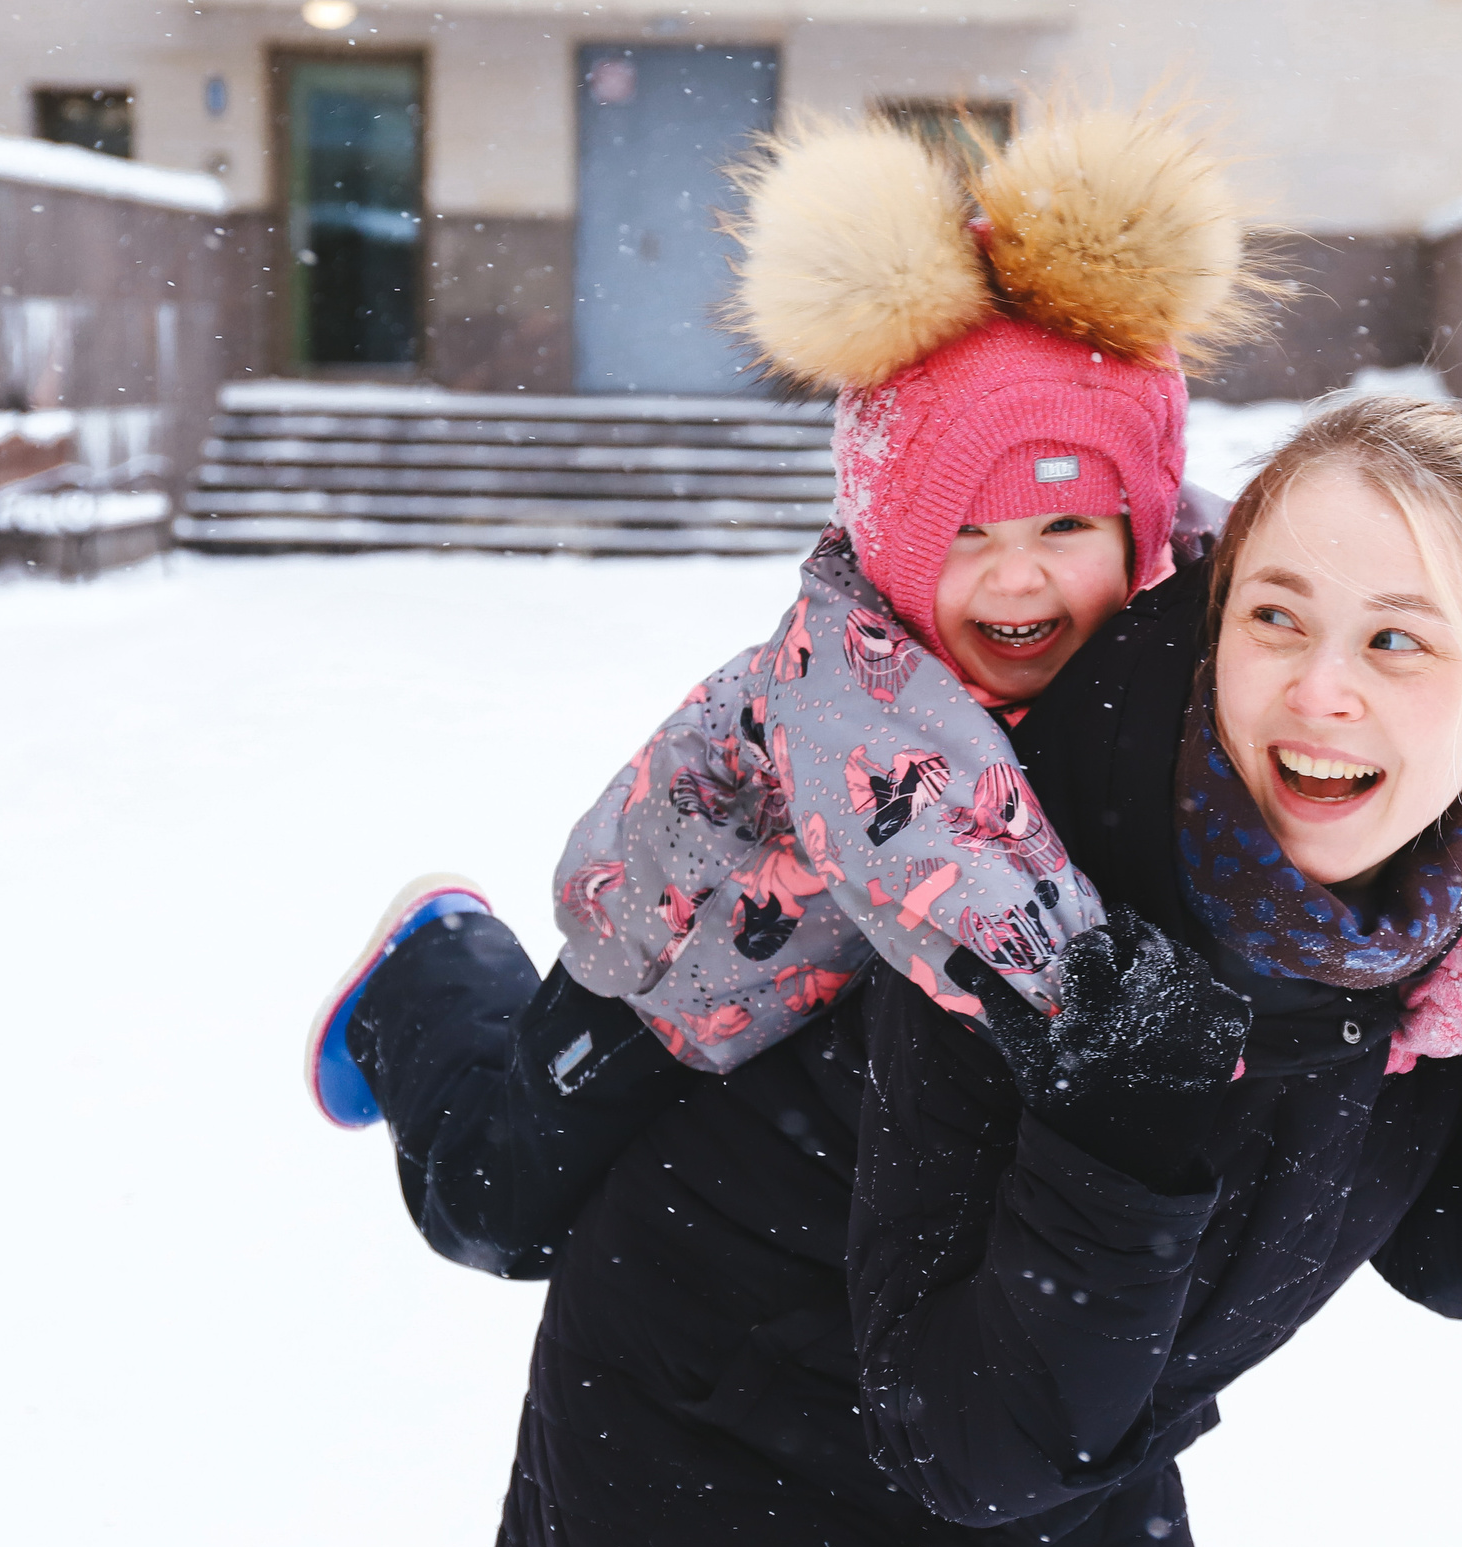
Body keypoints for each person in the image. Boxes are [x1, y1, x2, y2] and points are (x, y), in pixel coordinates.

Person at [304, 105, 1264, 1273]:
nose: (1018, 575)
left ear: (1141, 530)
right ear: (897, 548)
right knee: (497, 1209)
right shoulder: (851, 675)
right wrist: (1107, 1016)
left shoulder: (1187, 610)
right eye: (964, 534)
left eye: (1066, 522)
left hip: (807, 995)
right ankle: (435, 961)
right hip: (680, 958)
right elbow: (941, 859)